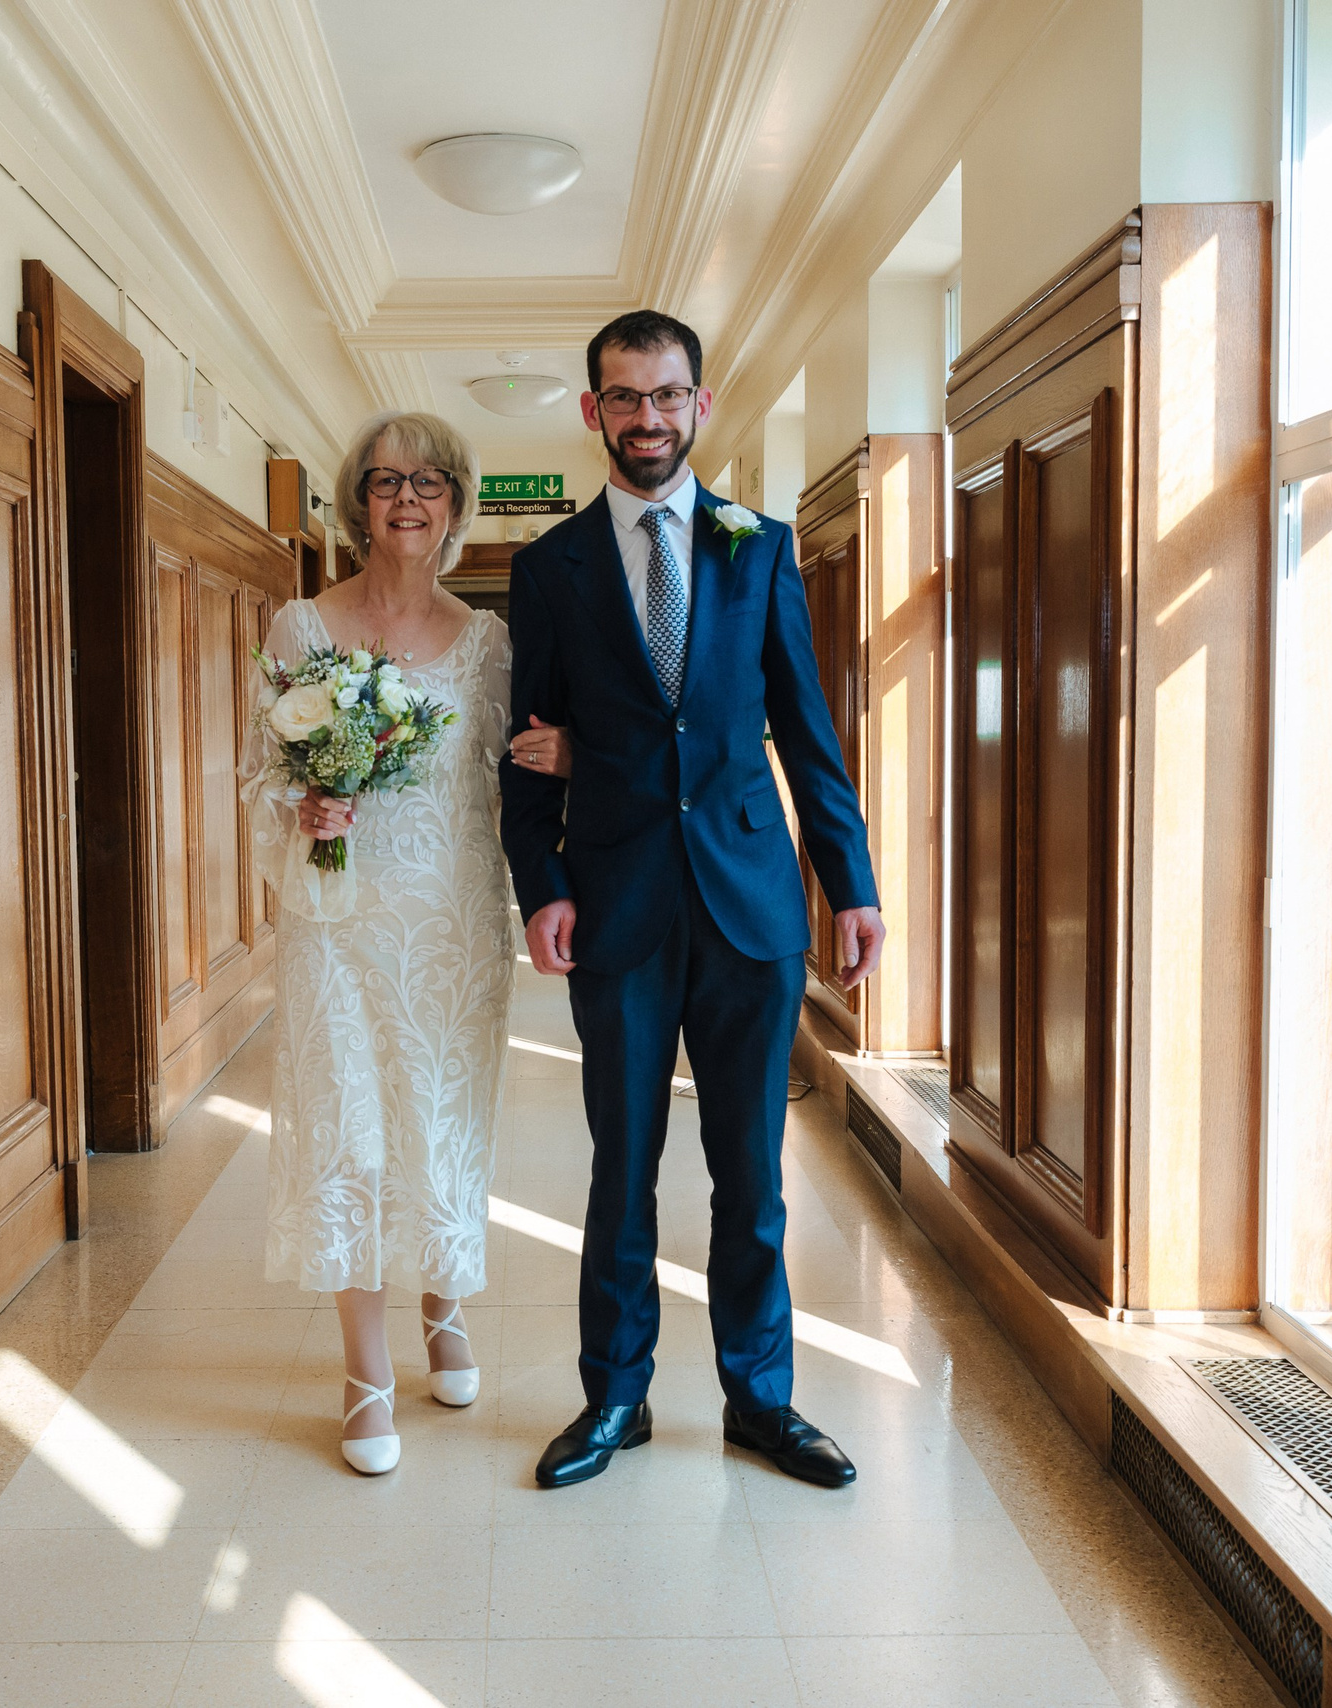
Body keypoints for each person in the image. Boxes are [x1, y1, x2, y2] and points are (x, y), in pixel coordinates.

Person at [498, 310, 885, 1491]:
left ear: (699, 405)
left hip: (750, 908)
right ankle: (615, 1396)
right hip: (615, 906)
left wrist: (850, 881)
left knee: (750, 1173)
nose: (648, 417)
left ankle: (759, 1399)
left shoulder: (755, 548)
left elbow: (806, 732)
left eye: (668, 396)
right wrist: (542, 887)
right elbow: (523, 749)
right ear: (593, 412)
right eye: (625, 397)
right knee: (622, 1167)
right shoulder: (548, 567)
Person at [243, 410, 569, 1475]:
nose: (410, 499)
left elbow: (509, 780)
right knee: (348, 1130)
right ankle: (366, 1367)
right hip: (336, 922)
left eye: (432, 481)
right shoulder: (302, 627)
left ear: (457, 504)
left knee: (439, 1120)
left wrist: (564, 767)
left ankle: (444, 1305)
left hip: (451, 922)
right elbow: (259, 778)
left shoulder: (488, 642)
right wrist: (300, 812)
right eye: (388, 480)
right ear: (358, 500)